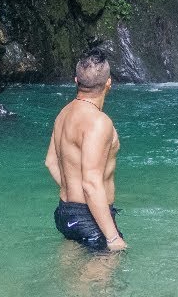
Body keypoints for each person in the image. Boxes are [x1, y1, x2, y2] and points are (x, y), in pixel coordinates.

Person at [46, 42, 127, 252]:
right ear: (109, 83)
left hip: (65, 213)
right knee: (108, 268)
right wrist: (113, 238)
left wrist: (73, 198)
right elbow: (91, 183)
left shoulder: (63, 113)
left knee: (71, 272)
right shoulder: (98, 122)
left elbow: (50, 162)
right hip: (88, 217)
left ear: (76, 81)